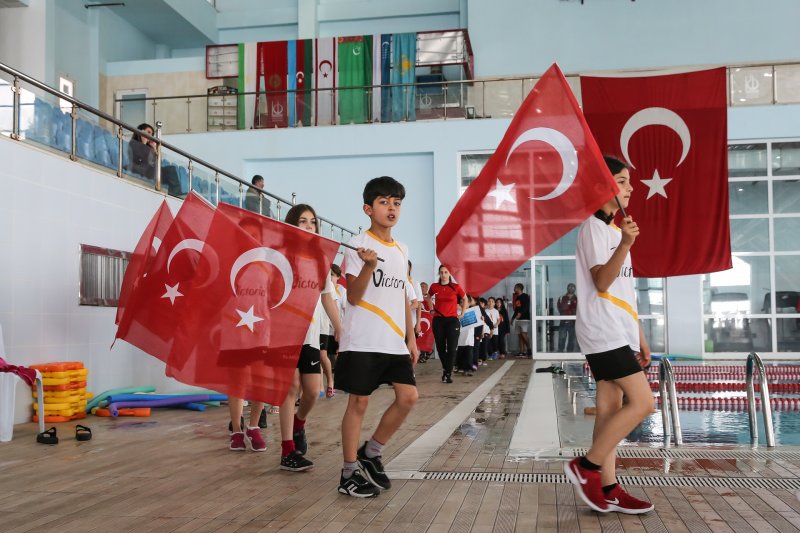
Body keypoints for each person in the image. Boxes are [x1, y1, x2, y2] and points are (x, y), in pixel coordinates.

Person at [564, 156, 654, 515]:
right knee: (644, 403)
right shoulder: (593, 228)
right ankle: (586, 466)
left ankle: (608, 487)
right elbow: (602, 282)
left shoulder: (616, 232)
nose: (630, 187)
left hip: (620, 330)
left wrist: (640, 337)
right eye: (622, 180)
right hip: (601, 331)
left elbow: (624, 293)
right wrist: (626, 245)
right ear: (603, 186)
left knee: (609, 410)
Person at [336, 176, 419, 498]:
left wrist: (410, 338)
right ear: (368, 209)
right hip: (362, 338)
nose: (391, 208)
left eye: (396, 203)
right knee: (359, 402)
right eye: (384, 202)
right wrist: (368, 266)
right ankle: (348, 473)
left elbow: (402, 295)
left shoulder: (401, 249)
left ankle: (370, 452)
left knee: (408, 397)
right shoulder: (358, 246)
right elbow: (353, 297)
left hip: (393, 340)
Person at [279, 204, 343, 472]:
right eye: (302, 221)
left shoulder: (320, 260)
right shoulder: (280, 256)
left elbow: (327, 297)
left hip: (310, 335)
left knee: (313, 391)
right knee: (290, 387)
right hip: (284, 333)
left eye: (312, 222)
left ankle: (299, 423)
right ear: (292, 225)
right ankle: (287, 451)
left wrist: (339, 327)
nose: (308, 225)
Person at [427, 265, 467, 383]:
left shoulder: (456, 287)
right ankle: (447, 369)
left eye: (446, 272)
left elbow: (465, 299)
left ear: (449, 274)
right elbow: (428, 296)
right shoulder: (434, 286)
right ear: (439, 274)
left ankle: (448, 373)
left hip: (452, 321)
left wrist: (463, 313)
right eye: (441, 272)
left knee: (452, 348)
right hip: (438, 320)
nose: (443, 275)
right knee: (440, 348)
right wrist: (431, 309)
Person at [557, 283, 578, 352]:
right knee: (561, 338)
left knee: (572, 339)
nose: (571, 288)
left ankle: (570, 352)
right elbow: (560, 308)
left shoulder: (577, 299)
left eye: (573, 287)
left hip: (573, 323)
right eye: (570, 287)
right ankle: (560, 352)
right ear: (567, 288)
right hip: (563, 322)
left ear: (575, 289)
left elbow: (578, 310)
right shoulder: (561, 298)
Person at [512, 283, 531, 357]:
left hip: (525, 319)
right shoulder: (517, 298)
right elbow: (516, 309)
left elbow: (526, 307)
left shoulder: (525, 296)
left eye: (515, 288)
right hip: (518, 319)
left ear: (519, 288)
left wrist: (520, 313)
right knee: (520, 335)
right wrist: (513, 318)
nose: (514, 289)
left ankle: (529, 348)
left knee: (524, 334)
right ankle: (521, 352)